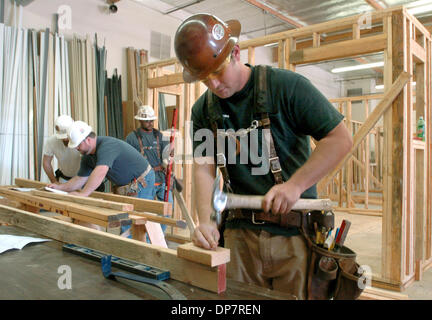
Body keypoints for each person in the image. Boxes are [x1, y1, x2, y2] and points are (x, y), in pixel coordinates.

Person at [174, 13, 353, 299]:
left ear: (235, 52)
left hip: (294, 237)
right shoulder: (203, 110)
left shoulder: (287, 88)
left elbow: (340, 139)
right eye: (204, 79)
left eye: (218, 72)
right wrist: (205, 221)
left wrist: (294, 186)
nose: (215, 85)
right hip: (238, 237)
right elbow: (203, 169)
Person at [47, 121, 155, 201]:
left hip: (143, 179)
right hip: (127, 184)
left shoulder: (107, 146)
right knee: (126, 221)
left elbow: (101, 171)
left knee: (139, 219)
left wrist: (83, 194)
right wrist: (60, 187)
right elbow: (79, 179)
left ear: (88, 140)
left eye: (78, 145)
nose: (76, 148)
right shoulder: (87, 156)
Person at [125, 105, 173, 205]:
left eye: (151, 120)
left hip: (161, 179)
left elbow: (168, 155)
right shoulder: (132, 138)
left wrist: (169, 166)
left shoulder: (159, 135)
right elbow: (127, 161)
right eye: (147, 121)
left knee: (167, 209)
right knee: (146, 210)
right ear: (140, 121)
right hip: (144, 182)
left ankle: (164, 221)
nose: (150, 123)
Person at [42, 115, 81, 184]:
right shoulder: (51, 141)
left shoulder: (82, 139)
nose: (65, 139)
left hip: (83, 178)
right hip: (64, 177)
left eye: (67, 137)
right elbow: (46, 162)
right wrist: (54, 181)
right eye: (63, 138)